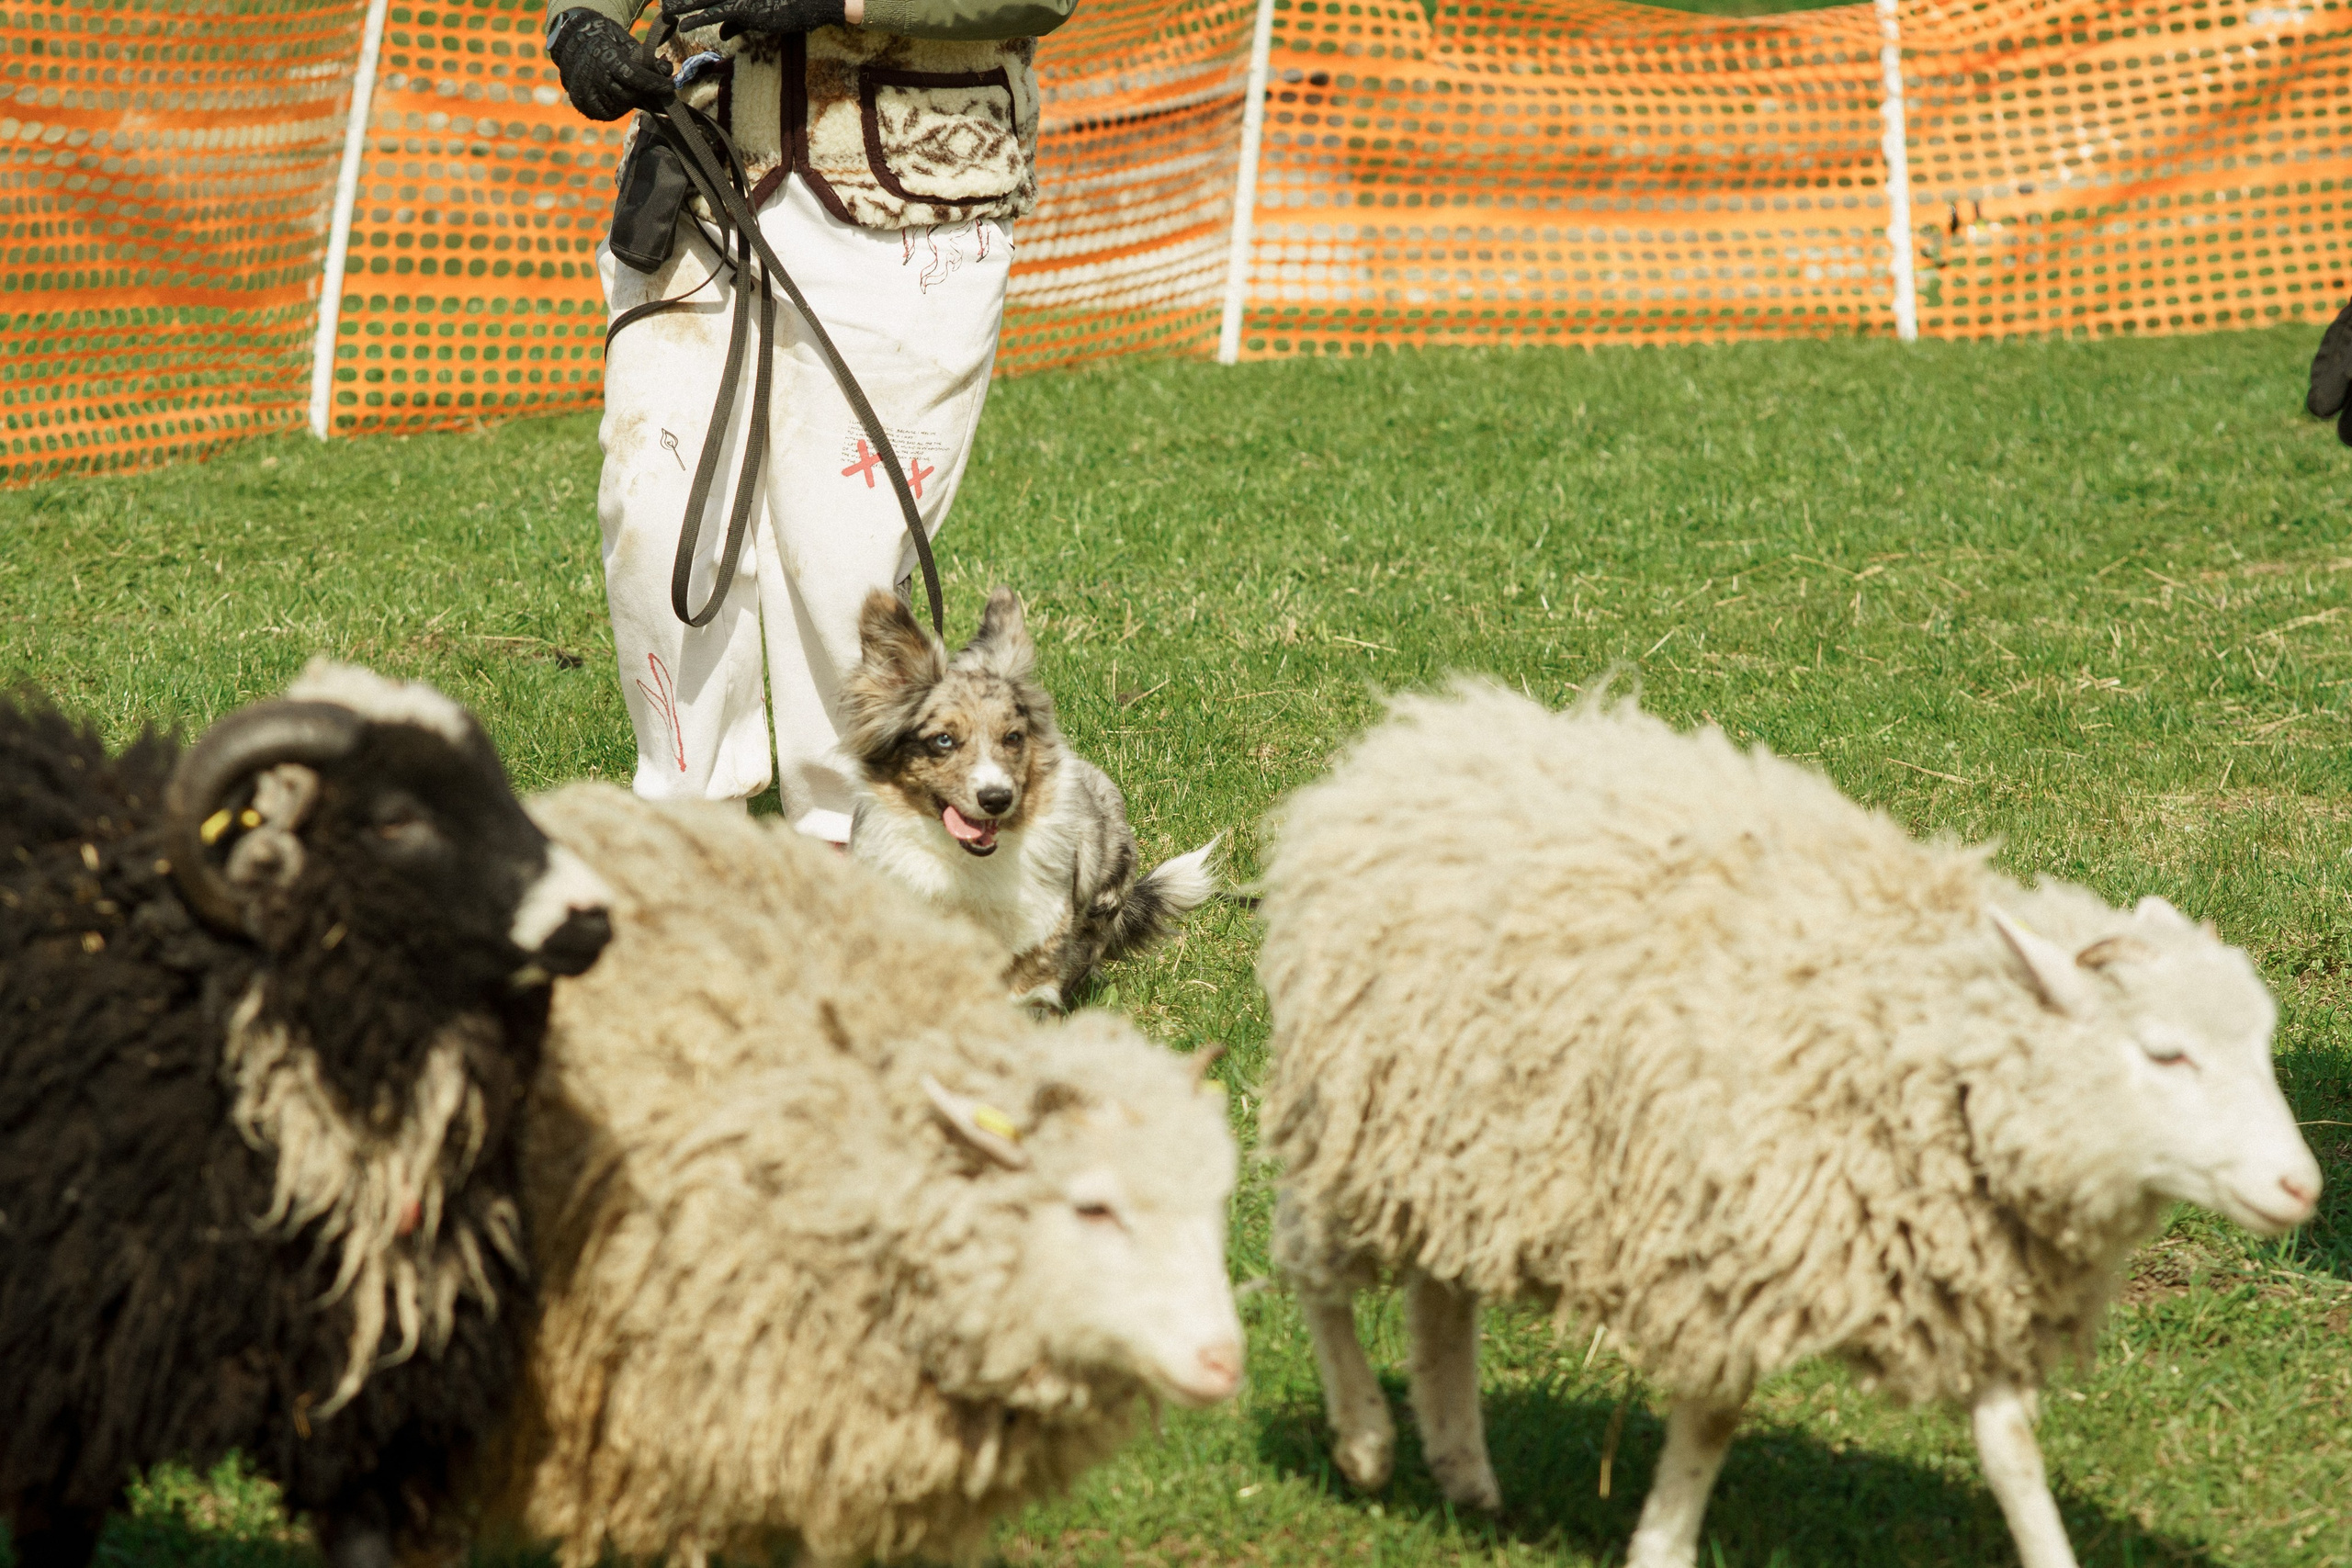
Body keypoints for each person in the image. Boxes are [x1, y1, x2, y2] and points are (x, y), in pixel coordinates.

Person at [545, 0, 1075, 840]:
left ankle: (846, 842)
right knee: (653, 504)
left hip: (907, 205)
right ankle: (689, 832)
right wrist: (580, 23)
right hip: (699, 177)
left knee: (841, 561)